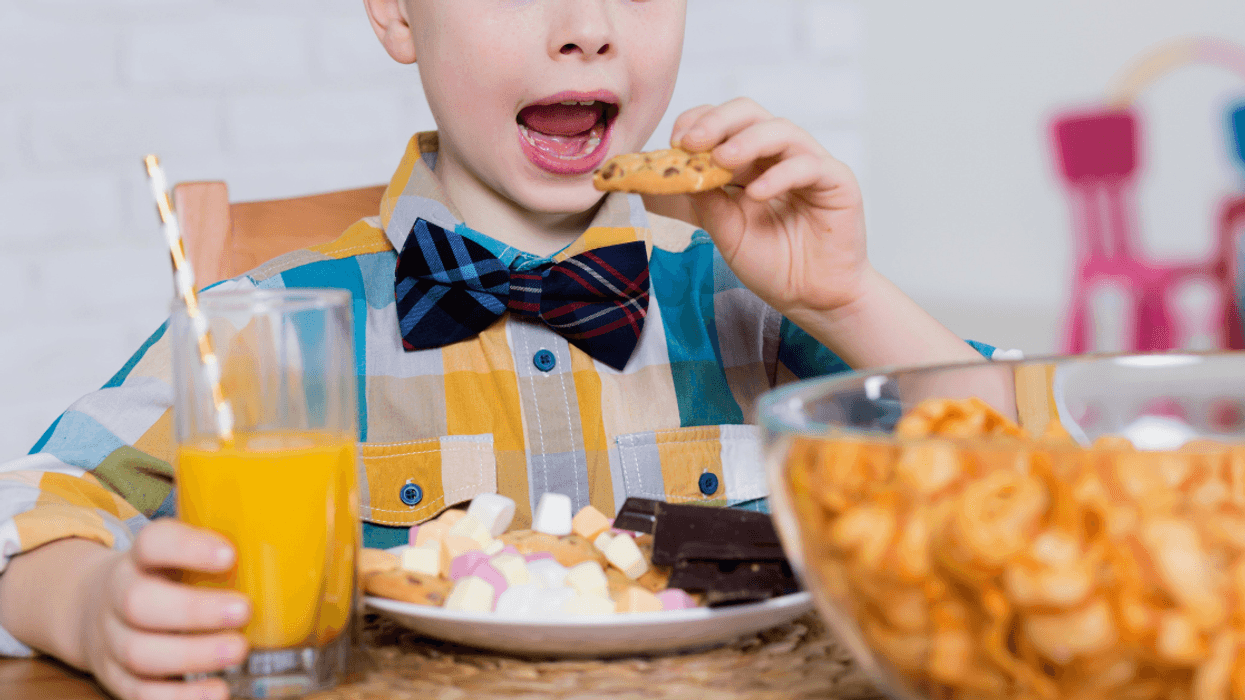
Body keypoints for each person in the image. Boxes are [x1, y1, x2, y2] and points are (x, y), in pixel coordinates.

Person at [0, 1, 1002, 698]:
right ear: (396, 11)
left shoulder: (760, 304)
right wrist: (92, 609)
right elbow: (28, 509)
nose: (588, 28)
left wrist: (849, 296)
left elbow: (1030, 483)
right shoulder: (272, 329)